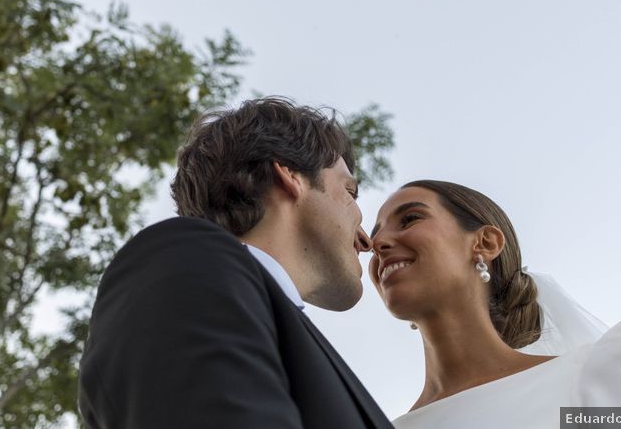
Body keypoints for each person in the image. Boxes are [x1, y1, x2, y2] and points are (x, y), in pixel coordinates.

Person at [78, 97, 394, 429]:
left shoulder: (276, 330)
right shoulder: (184, 264)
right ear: (290, 176)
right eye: (350, 192)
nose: (366, 239)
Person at [368, 180, 621, 429]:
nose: (378, 243)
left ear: (485, 243)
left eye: (410, 219)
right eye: (374, 235)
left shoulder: (588, 377)